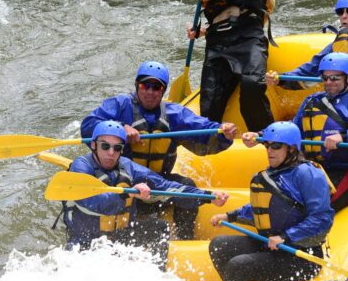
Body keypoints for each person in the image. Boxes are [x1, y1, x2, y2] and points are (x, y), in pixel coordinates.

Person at [81, 60, 237, 239]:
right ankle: (116, 234)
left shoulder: (174, 114)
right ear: (136, 85)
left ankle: (185, 238)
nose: (149, 91)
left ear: (163, 91)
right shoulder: (120, 104)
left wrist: (224, 133)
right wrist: (119, 127)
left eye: (156, 87)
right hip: (123, 183)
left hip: (157, 182)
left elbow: (205, 131)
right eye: (144, 85)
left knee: (187, 185)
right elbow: (89, 125)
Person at [61, 121, 228, 269]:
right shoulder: (80, 167)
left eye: (117, 148)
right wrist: (129, 194)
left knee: (159, 228)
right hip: (87, 241)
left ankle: (158, 277)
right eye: (105, 146)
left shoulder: (127, 166)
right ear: (93, 145)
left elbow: (165, 186)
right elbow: (91, 201)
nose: (111, 152)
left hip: (120, 236)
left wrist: (207, 196)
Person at [252, 52, 348, 212]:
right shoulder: (312, 101)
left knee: (305, 208)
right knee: (275, 201)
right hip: (312, 169)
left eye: (335, 78)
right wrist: (261, 136)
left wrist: (345, 137)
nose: (328, 82)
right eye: (325, 78)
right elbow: (294, 130)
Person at [209, 121, 334, 281]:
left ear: (291, 149)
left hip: (301, 256)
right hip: (272, 245)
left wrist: (286, 236)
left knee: (238, 265)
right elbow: (266, 208)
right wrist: (230, 216)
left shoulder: (308, 174)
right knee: (219, 245)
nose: (269, 151)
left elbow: (322, 219)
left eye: (275, 146)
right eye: (267, 145)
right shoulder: (275, 172)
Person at [189, 0, 275, 132]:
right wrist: (202, 31)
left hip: (247, 37)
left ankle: (271, 142)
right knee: (209, 104)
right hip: (217, 41)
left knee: (252, 86)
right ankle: (212, 151)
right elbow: (226, 12)